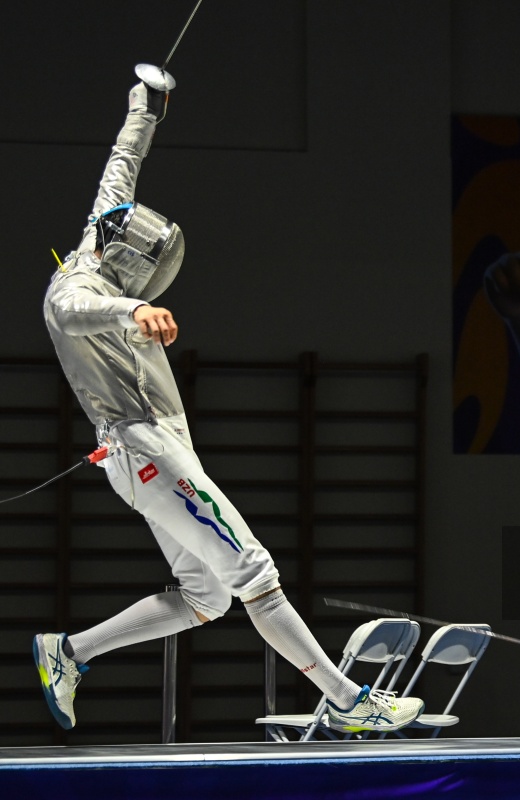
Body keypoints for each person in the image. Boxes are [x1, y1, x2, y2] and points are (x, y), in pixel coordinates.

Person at [34, 72, 423, 734]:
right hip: (145, 448)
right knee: (253, 571)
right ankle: (347, 701)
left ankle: (67, 653)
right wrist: (133, 312)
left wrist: (145, 108)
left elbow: (122, 163)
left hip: (151, 450)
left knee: (206, 596)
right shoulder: (75, 289)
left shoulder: (103, 230)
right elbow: (74, 314)